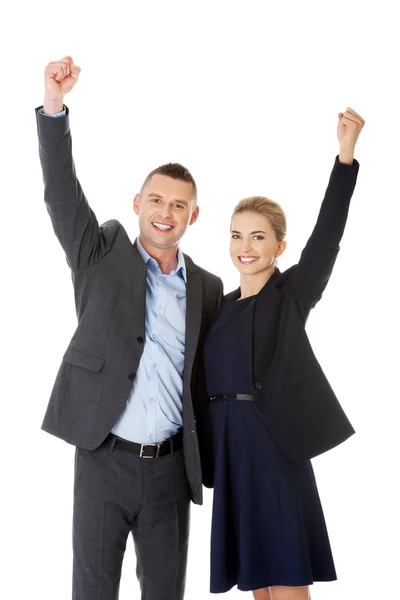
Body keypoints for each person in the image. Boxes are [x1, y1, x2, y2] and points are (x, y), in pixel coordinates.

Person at [36, 55, 223, 600]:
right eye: (157, 200)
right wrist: (54, 108)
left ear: (194, 216)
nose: (166, 212)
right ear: (138, 203)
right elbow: (62, 195)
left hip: (170, 470)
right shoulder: (100, 253)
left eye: (179, 206)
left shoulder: (208, 289)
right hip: (103, 459)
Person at [202, 108, 365, 600]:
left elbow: (327, 238)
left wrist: (345, 157)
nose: (244, 246)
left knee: (285, 575)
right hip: (231, 451)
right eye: (236, 235)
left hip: (273, 446)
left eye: (257, 237)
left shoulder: (290, 295)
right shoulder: (218, 307)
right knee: (257, 584)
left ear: (278, 246)